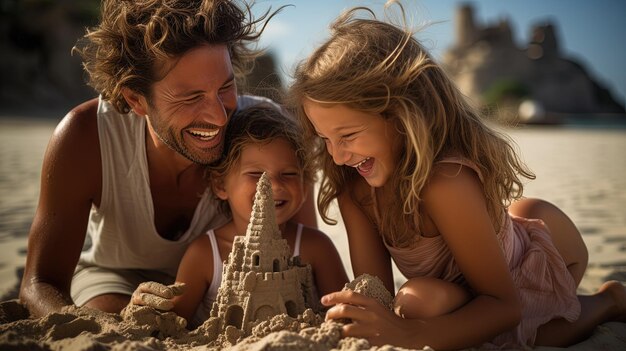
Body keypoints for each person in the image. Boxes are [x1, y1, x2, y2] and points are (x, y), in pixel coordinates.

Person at [287, 2, 626, 350]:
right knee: (418, 300)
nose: (337, 156)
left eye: (348, 136)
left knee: (521, 332)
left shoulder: (443, 181)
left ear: (403, 114)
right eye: (325, 139)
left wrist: (410, 334)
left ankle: (611, 299)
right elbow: (377, 294)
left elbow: (504, 306)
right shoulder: (354, 190)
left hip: (530, 261)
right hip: (460, 286)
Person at [19, 0, 318, 318]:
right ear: (136, 99)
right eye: (191, 97)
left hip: (223, 284)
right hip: (118, 280)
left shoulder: (269, 137)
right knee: (108, 313)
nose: (218, 117)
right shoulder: (87, 137)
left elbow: (301, 252)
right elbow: (40, 282)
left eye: (226, 87)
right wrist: (96, 323)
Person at [130, 104, 349, 329]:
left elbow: (344, 311)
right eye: (255, 174)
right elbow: (173, 321)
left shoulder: (316, 247)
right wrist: (145, 309)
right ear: (220, 184)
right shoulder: (206, 254)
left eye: (289, 174)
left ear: (305, 185)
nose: (273, 185)